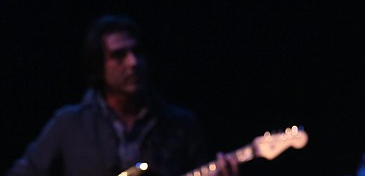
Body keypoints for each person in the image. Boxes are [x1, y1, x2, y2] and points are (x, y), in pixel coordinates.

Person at [7, 15, 239, 176]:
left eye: (137, 52)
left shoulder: (181, 125)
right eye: (119, 55)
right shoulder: (69, 124)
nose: (133, 63)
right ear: (98, 66)